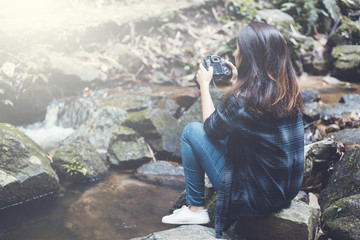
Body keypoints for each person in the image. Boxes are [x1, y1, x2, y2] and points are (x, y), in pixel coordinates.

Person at [162, 21, 305, 238]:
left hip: (255, 199)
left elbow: (210, 129)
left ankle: (196, 209)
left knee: (192, 131)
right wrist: (238, 83)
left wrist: (204, 86)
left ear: (248, 56)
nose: (236, 53)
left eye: (238, 48)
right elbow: (241, 121)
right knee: (233, 135)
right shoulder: (288, 90)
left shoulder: (244, 99)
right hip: (285, 193)